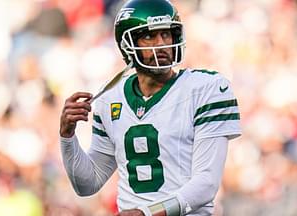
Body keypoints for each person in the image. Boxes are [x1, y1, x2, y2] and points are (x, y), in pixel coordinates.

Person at [59, 0, 241, 215]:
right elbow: (87, 184)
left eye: (166, 34)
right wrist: (67, 136)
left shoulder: (205, 89)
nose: (162, 43)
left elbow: (206, 184)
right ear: (128, 43)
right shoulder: (110, 98)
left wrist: (148, 213)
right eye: (149, 36)